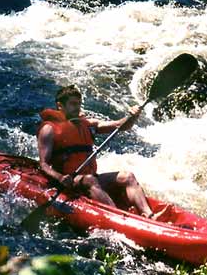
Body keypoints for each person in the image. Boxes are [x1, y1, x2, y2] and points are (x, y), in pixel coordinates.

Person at [36, 85, 156, 218]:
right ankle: (119, 217)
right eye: (73, 104)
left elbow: (120, 125)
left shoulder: (88, 124)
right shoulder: (49, 130)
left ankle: (149, 215)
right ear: (60, 105)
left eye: (79, 104)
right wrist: (60, 178)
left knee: (128, 176)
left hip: (91, 179)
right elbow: (43, 164)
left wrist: (132, 116)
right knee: (89, 179)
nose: (77, 107)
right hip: (68, 182)